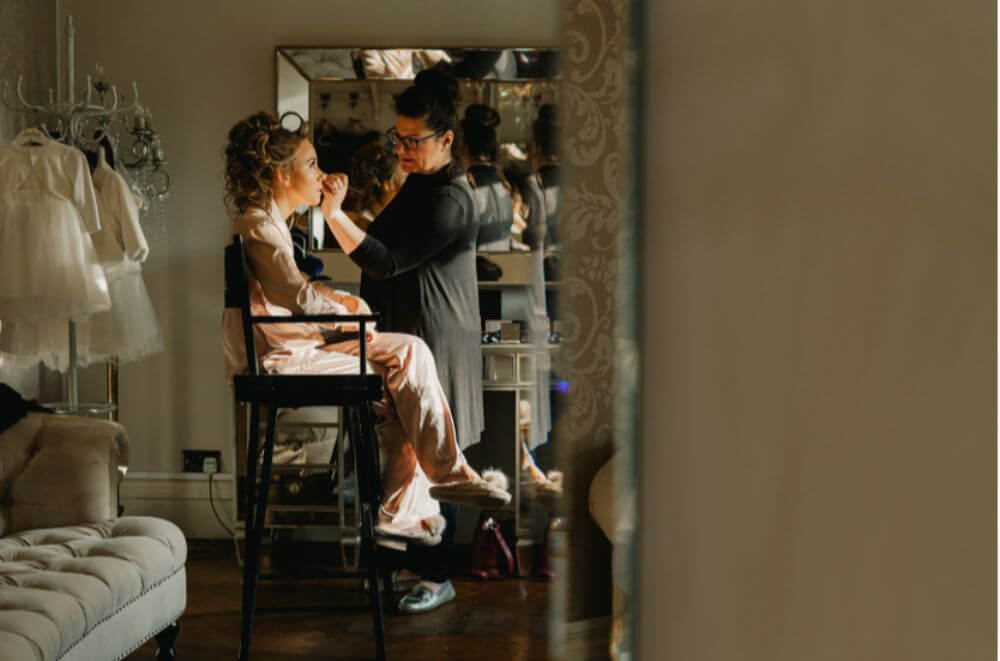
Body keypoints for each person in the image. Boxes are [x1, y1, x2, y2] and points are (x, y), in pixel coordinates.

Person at [221, 111, 510, 549]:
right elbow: (297, 298)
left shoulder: (269, 225)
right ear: (282, 175)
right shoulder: (258, 226)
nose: (321, 174)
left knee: (402, 368)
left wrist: (346, 306)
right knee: (409, 356)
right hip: (281, 358)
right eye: (312, 164)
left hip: (292, 345)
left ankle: (407, 505)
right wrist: (351, 318)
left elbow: (297, 291)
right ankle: (433, 485)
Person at [318, 68, 484, 614]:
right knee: (399, 453)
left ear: (446, 140)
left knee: (431, 452)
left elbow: (387, 260)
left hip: (436, 336)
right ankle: (398, 564)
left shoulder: (453, 201)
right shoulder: (419, 185)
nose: (404, 149)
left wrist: (334, 217)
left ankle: (437, 575)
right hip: (404, 334)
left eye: (414, 141)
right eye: (399, 138)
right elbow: (383, 240)